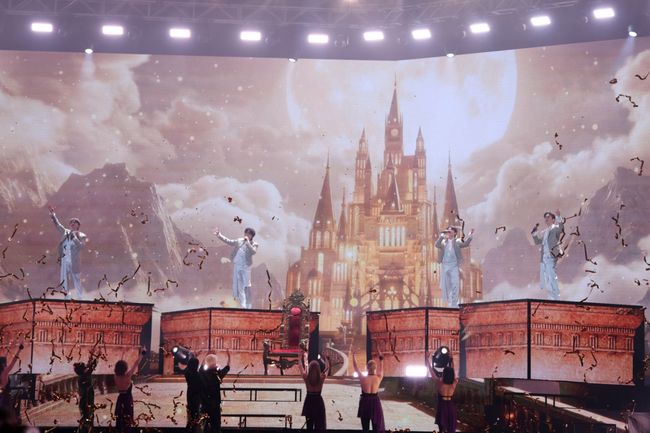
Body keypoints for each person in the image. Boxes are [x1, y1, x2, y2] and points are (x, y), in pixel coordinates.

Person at [48, 205, 88, 300]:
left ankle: (80, 297)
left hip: (74, 260)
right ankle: (67, 297)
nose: (73, 224)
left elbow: (81, 247)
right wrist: (53, 215)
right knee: (64, 279)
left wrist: (75, 238)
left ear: (78, 225)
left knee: (76, 279)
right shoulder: (65, 232)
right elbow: (58, 225)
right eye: (71, 222)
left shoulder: (81, 235)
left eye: (75, 222)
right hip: (65, 259)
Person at [213, 227, 258, 309]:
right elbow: (229, 241)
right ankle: (243, 305)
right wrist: (219, 235)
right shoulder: (239, 240)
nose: (246, 235)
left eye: (248, 234)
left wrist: (248, 243)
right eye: (245, 233)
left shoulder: (254, 244)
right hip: (237, 265)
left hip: (246, 267)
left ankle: (248, 305)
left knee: (247, 286)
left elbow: (253, 252)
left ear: (252, 236)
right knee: (239, 286)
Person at [435, 226, 475, 307]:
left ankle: (453, 304)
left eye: (450, 231)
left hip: (454, 266)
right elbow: (437, 245)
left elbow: (466, 244)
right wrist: (441, 236)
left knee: (455, 285)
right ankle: (449, 303)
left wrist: (470, 235)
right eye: (448, 231)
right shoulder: (443, 242)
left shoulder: (457, 241)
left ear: (455, 233)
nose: (448, 233)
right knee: (447, 286)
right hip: (445, 266)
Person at [531, 210, 564, 300]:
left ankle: (556, 298)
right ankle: (551, 298)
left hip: (551, 256)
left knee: (551, 276)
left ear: (553, 219)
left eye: (548, 217)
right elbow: (538, 242)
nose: (546, 219)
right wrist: (534, 234)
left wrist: (559, 217)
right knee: (547, 278)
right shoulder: (545, 232)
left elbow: (561, 228)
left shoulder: (555, 228)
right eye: (545, 218)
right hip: (544, 257)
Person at [352, 347, 385, 433]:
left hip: (365, 402)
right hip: (375, 402)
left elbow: (355, 367)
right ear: (375, 368)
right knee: (376, 428)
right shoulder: (378, 377)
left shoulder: (363, 378)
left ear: (367, 367)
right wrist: (379, 354)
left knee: (365, 428)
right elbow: (381, 361)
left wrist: (353, 355)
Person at [425, 350, 458, 433]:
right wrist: (451, 359)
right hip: (450, 406)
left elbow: (431, 371)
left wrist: (427, 359)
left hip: (442, 406)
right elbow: (453, 372)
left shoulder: (440, 383)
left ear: (444, 374)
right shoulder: (454, 383)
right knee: (450, 427)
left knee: (442, 428)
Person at [114, 349, 145, 433]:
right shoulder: (127, 376)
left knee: (120, 418)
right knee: (127, 419)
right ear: (125, 368)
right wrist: (142, 353)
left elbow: (120, 367)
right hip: (127, 399)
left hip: (120, 399)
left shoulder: (115, 377)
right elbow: (136, 363)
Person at [200, 350, 230, 433]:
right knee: (216, 425)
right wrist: (229, 356)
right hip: (215, 404)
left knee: (204, 425)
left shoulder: (202, 373)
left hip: (205, 403)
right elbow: (227, 367)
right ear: (215, 364)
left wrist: (206, 355)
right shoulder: (217, 375)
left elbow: (201, 367)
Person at [298, 355, 330, 432]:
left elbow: (300, 367)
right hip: (318, 402)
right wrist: (326, 359)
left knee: (309, 425)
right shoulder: (321, 377)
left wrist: (299, 358)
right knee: (319, 425)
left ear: (309, 368)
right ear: (318, 369)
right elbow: (327, 368)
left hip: (309, 402)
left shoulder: (306, 377)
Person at [73, 351, 98, 433]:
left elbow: (90, 366)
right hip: (86, 401)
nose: (86, 367)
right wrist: (95, 357)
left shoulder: (83, 375)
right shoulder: (84, 376)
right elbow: (91, 367)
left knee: (88, 419)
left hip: (86, 401)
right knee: (87, 419)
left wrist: (92, 357)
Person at [0, 337, 24, 422]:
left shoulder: (3, 371)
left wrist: (11, 346)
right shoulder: (5, 371)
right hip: (4, 399)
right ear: (3, 365)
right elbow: (14, 360)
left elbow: (5, 357)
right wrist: (19, 350)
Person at [183, 357, 202, 433]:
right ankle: (194, 430)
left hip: (190, 395)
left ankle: (190, 429)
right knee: (195, 415)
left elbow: (187, 368)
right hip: (196, 397)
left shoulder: (187, 373)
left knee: (191, 415)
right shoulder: (197, 375)